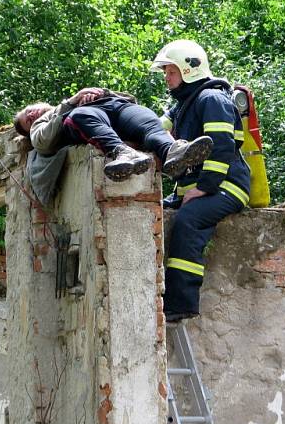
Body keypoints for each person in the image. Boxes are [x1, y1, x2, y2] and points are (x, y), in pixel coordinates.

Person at [151, 40, 251, 322]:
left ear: (188, 70)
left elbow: (220, 146)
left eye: (170, 72)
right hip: (202, 188)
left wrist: (204, 187)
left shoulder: (212, 99)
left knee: (188, 221)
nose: (166, 78)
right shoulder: (184, 105)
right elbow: (155, 129)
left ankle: (180, 304)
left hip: (227, 186)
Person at [13, 87, 213, 182]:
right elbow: (43, 142)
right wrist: (73, 101)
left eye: (28, 110)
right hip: (86, 116)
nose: (31, 114)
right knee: (81, 114)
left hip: (116, 107)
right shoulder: (45, 121)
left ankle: (172, 150)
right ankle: (123, 153)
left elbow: (131, 99)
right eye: (27, 120)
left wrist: (100, 93)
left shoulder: (84, 95)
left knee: (147, 120)